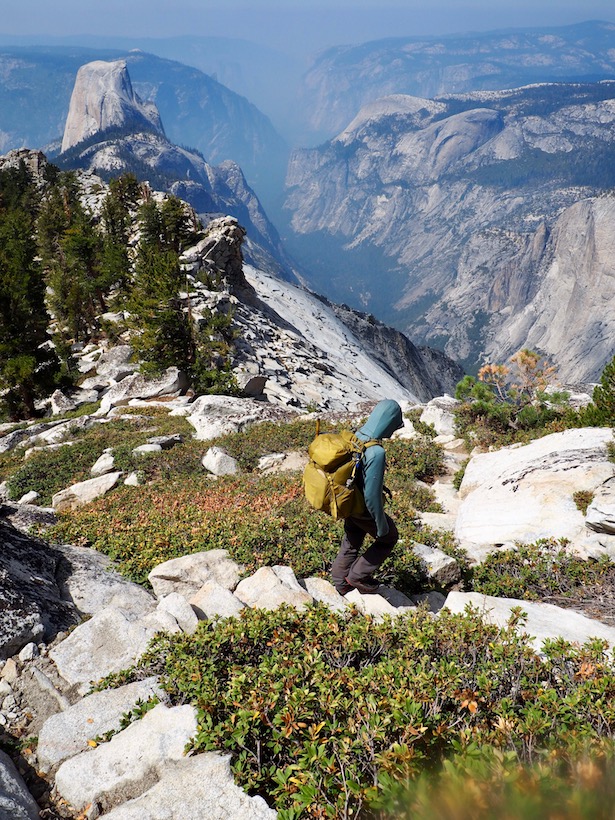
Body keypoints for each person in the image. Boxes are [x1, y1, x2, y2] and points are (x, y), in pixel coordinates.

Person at [331, 399, 403, 595]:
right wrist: (381, 524)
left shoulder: (355, 436)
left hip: (349, 501)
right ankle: (357, 576)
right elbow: (371, 496)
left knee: (352, 539)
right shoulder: (376, 452)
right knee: (389, 538)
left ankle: (339, 583)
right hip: (362, 507)